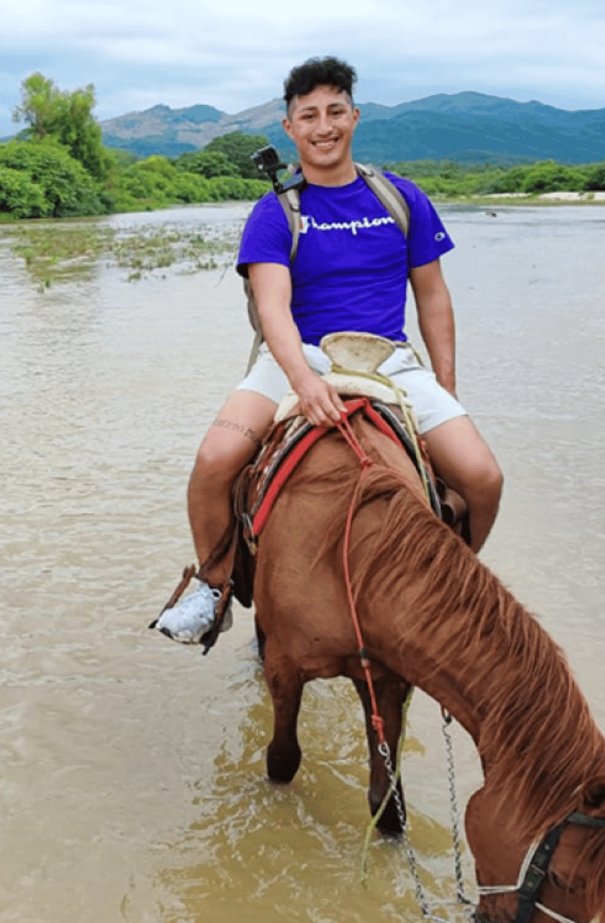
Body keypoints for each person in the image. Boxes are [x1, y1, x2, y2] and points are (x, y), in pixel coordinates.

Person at [156, 56, 504, 643]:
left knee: (483, 478)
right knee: (213, 464)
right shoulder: (276, 211)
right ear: (290, 128)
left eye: (335, 112)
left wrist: (444, 384)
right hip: (298, 356)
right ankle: (213, 588)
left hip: (387, 358)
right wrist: (304, 381)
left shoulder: (401, 198)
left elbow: (434, 298)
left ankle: (453, 583)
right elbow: (272, 309)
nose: (324, 126)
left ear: (355, 117)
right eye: (309, 115)